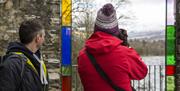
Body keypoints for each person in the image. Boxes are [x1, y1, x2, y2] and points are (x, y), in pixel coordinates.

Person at [78, 3, 148, 91]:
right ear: (115, 30)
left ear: (96, 28)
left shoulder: (82, 55)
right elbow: (142, 72)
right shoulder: (124, 53)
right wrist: (127, 46)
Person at [0, 19, 49, 91]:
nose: (44, 39)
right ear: (38, 38)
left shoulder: (38, 61)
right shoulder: (12, 64)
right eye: (43, 36)